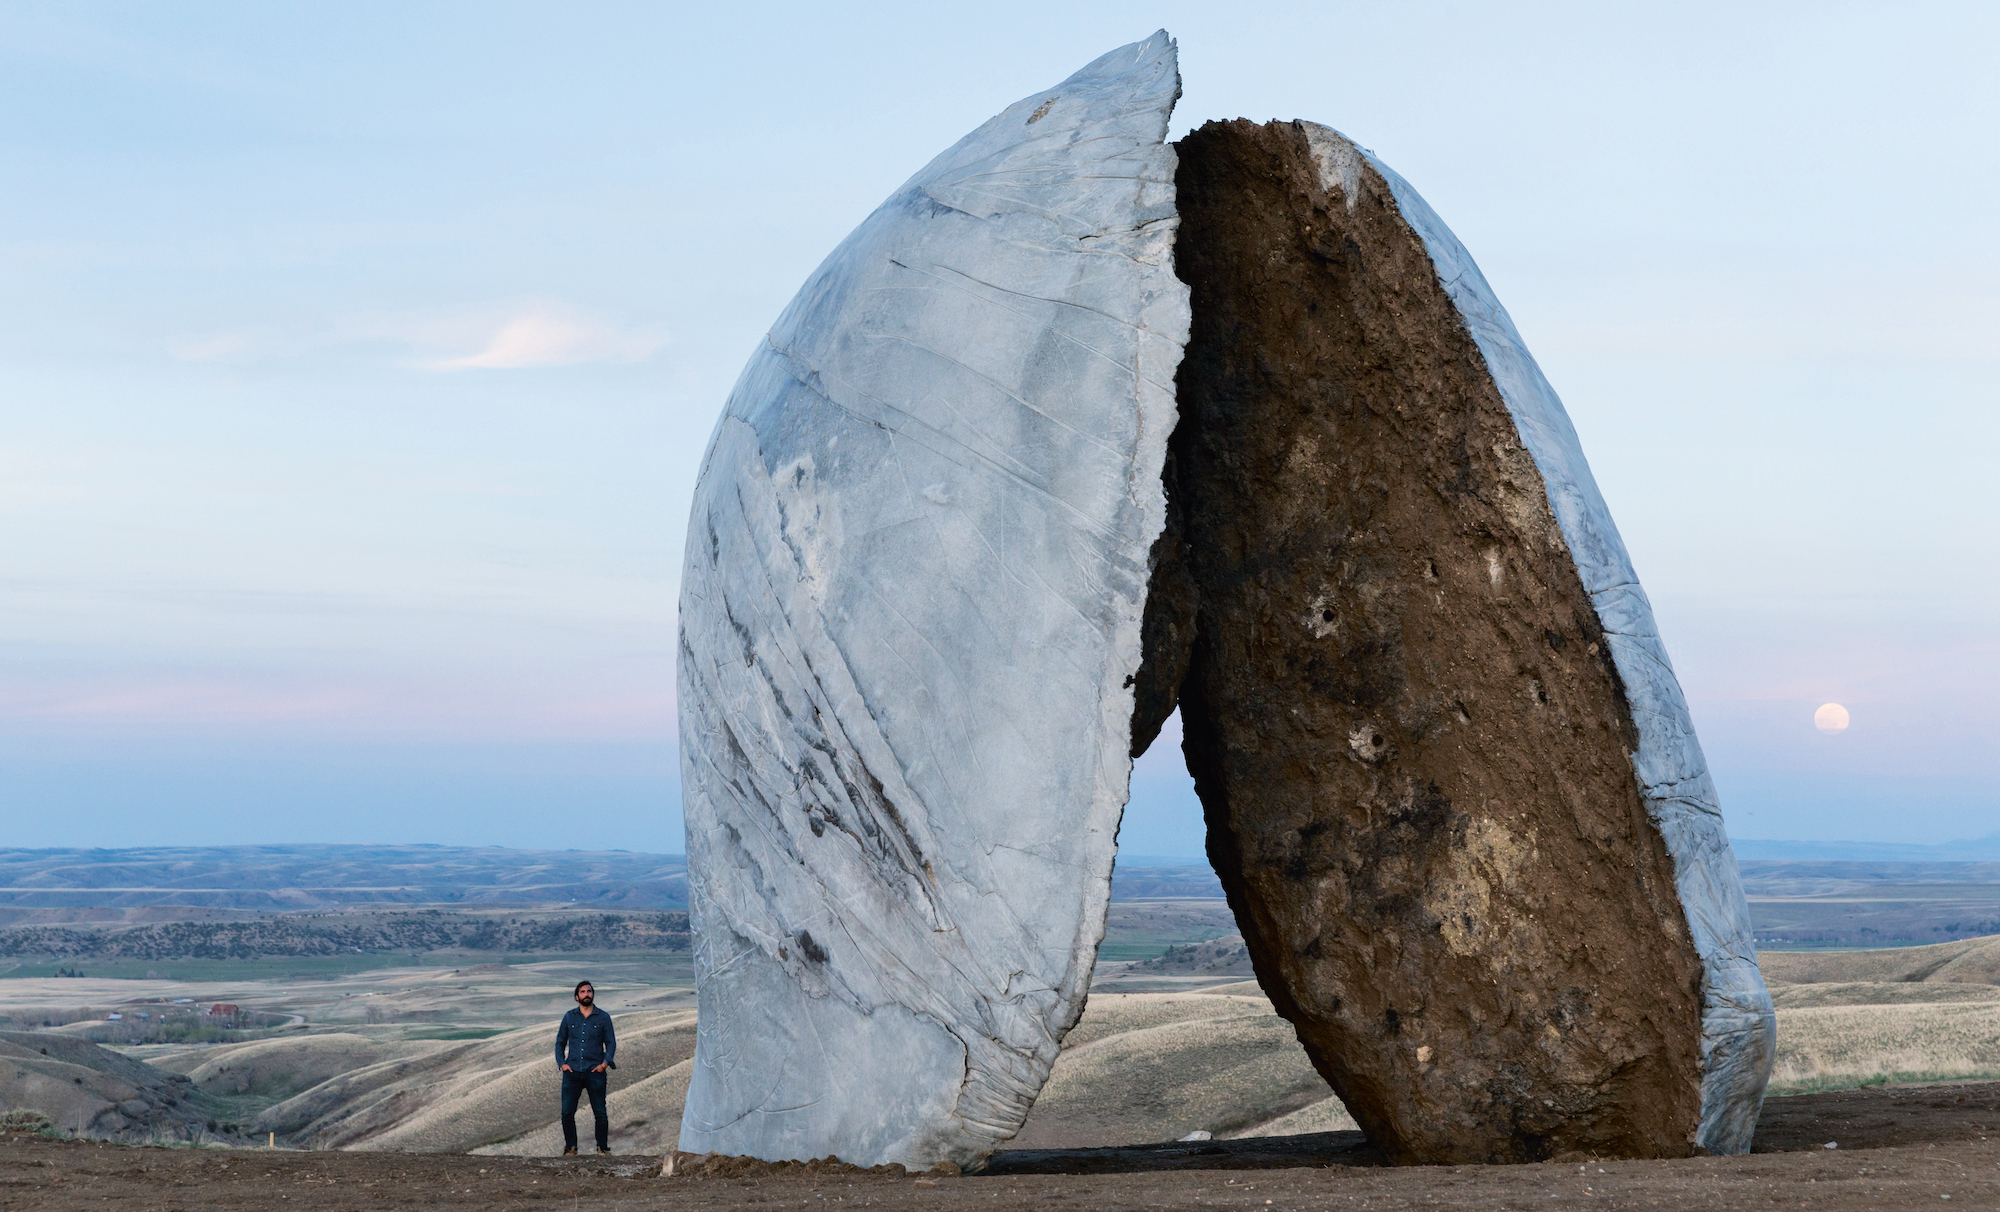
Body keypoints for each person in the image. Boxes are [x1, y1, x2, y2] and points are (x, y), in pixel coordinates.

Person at [554, 979, 617, 1155]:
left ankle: (603, 1148)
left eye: (589, 991)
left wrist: (605, 1064)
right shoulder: (569, 1017)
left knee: (600, 1113)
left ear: (593, 994)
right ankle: (571, 1147)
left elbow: (611, 1043)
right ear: (576, 996)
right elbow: (559, 1043)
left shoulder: (603, 1017)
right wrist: (562, 1064)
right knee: (567, 1113)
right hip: (572, 1072)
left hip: (595, 1072)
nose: (586, 994)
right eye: (582, 992)